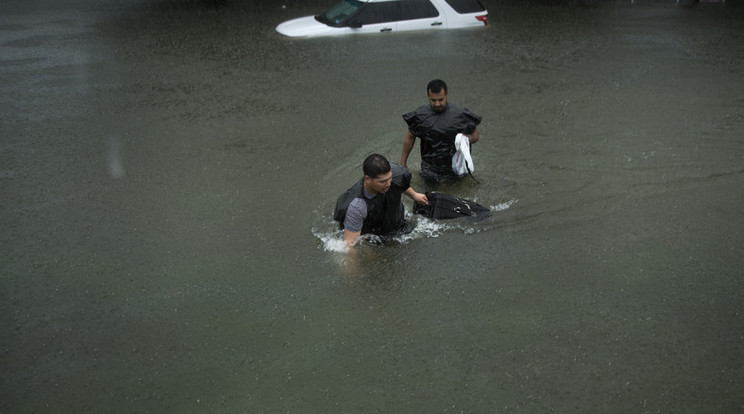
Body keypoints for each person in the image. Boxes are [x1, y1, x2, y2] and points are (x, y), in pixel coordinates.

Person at [334, 154, 428, 248]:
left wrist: (414, 195)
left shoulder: (391, 175)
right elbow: (349, 245)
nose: (388, 184)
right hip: (373, 234)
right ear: (368, 179)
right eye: (383, 181)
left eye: (390, 178)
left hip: (396, 222)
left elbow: (398, 182)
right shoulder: (357, 207)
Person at [400, 79, 483, 185]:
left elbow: (475, 135)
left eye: (441, 99)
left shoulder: (460, 114)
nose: (437, 104)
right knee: (429, 198)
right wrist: (403, 162)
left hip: (455, 168)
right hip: (430, 169)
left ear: (447, 94)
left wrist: (466, 139)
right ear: (428, 96)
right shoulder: (420, 116)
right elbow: (410, 136)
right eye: (433, 100)